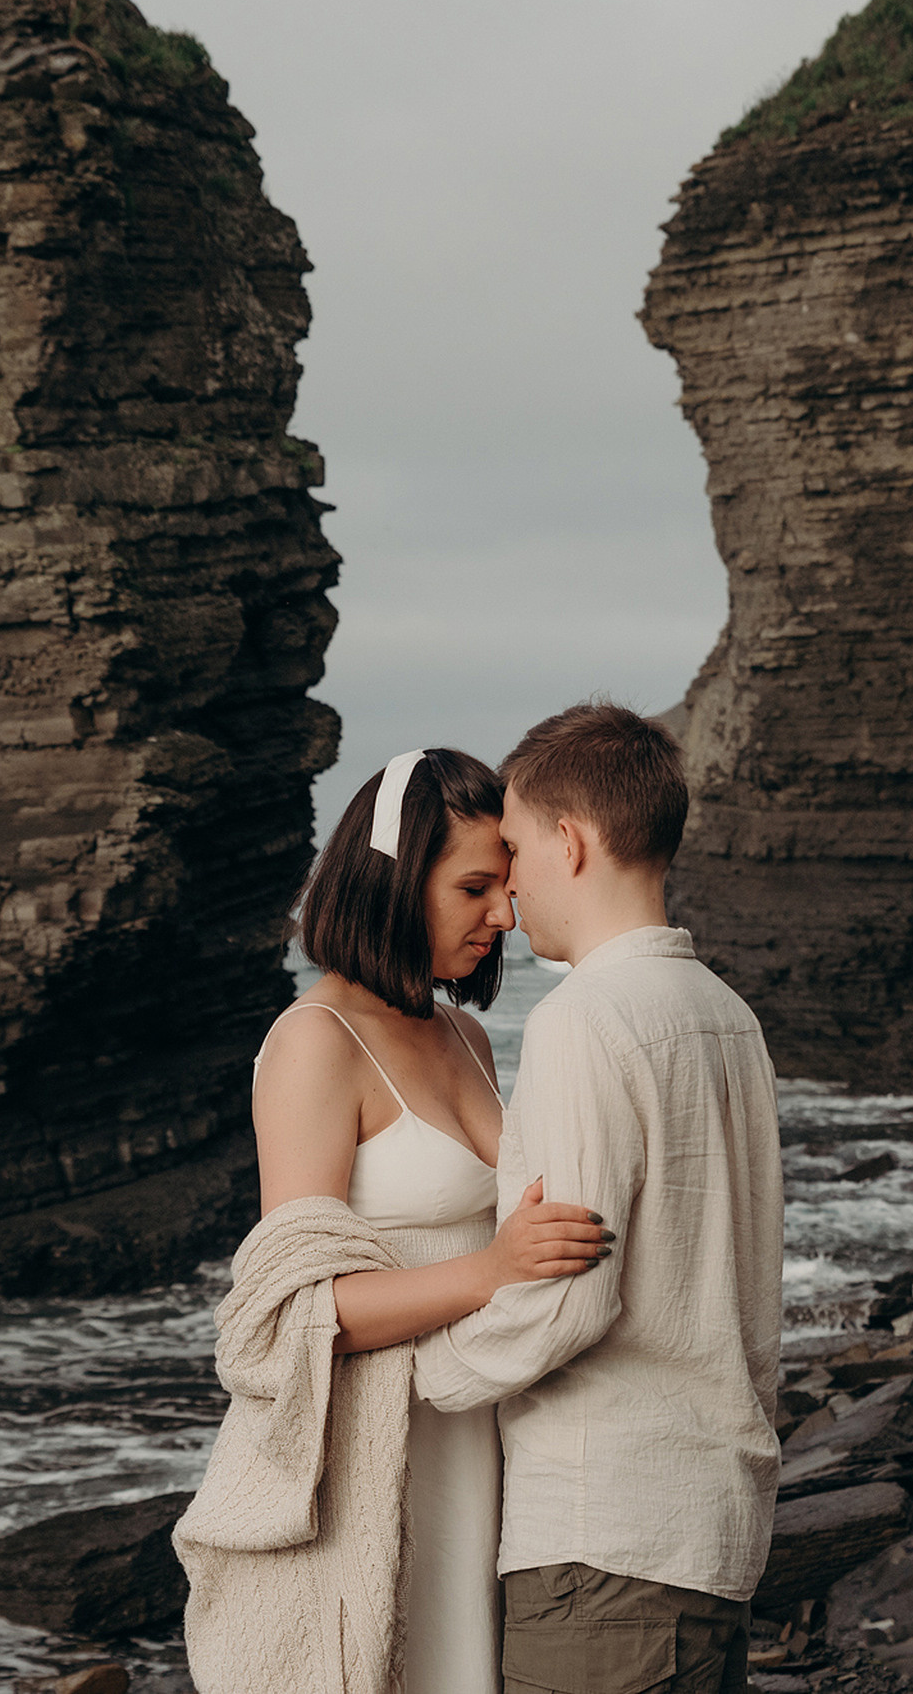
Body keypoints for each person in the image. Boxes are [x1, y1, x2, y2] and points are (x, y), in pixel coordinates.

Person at [175, 747, 612, 1692]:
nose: (503, 915)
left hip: (478, 1430)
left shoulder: (460, 1032)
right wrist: (492, 1269)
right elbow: (289, 1314)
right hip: (374, 1460)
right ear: (394, 881)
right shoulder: (312, 1044)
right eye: (473, 887)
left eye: (506, 886)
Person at [415, 704, 783, 1694]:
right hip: (712, 1523)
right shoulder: (724, 1013)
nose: (510, 892)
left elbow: (571, 1290)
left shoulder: (585, 1017)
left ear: (569, 842)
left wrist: (425, 1372)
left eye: (519, 849)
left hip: (604, 1532)